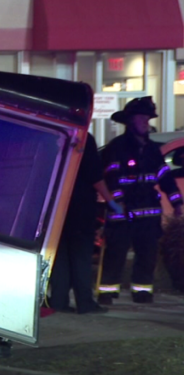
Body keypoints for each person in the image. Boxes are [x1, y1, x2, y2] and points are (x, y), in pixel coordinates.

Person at [97, 96, 183, 304]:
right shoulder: (117, 148)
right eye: (142, 117)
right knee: (115, 254)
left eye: (148, 118)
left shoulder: (152, 150)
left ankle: (142, 291)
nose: (146, 122)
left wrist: (177, 203)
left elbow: (165, 177)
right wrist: (118, 203)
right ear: (130, 121)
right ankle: (107, 292)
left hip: (148, 212)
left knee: (147, 255)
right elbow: (111, 178)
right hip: (122, 213)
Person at [49, 133, 118, 314]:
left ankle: (58, 300)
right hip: (80, 207)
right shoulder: (83, 138)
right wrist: (110, 201)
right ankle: (85, 302)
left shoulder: (56, 133)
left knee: (60, 256)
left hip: (55, 206)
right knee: (81, 256)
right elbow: (95, 176)